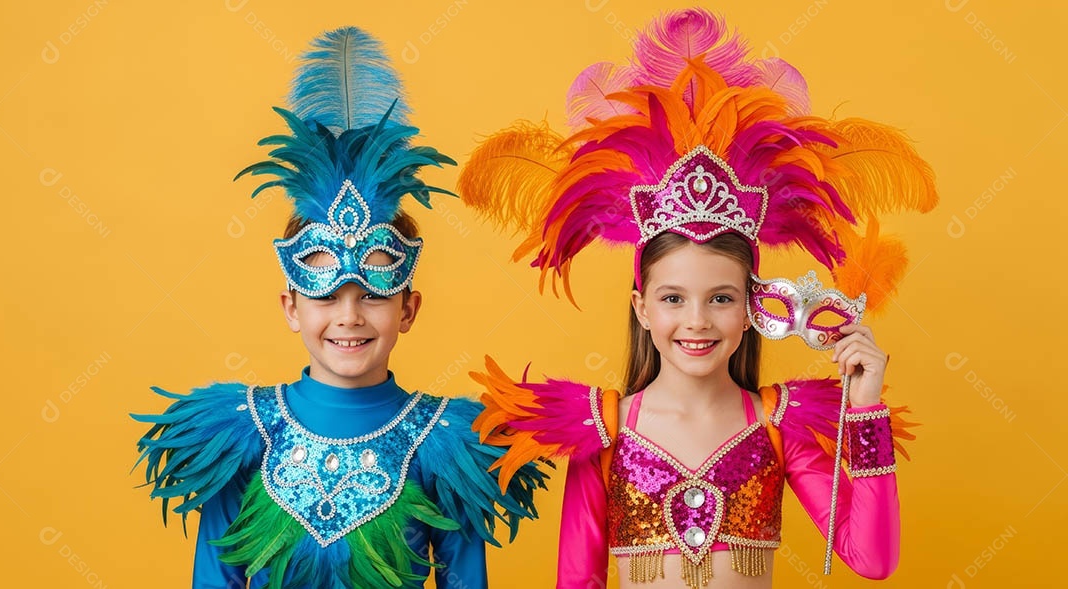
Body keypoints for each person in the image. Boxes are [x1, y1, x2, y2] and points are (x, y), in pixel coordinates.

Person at [458, 8, 933, 588]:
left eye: (722, 298)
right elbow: (577, 580)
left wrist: (865, 408)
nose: (698, 321)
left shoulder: (779, 425)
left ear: (754, 306)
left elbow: (873, 560)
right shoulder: (602, 430)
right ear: (642, 308)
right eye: (674, 299)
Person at [132, 26, 544, 589]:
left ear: (408, 309)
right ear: (291, 307)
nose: (349, 316)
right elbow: (215, 578)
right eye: (325, 296)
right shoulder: (242, 435)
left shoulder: (446, 444)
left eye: (372, 295)